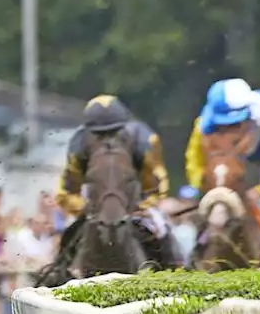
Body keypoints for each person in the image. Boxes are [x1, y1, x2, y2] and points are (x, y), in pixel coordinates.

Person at [185, 78, 260, 259]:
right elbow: (194, 163)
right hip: (224, 170)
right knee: (209, 203)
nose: (227, 130)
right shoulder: (203, 125)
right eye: (221, 126)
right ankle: (195, 255)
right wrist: (203, 185)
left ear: (248, 114)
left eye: (234, 124)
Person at [54, 95, 177, 267]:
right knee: (69, 236)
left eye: (113, 131)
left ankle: (177, 271)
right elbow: (66, 192)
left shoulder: (144, 141)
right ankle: (58, 274)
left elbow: (156, 185)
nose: (107, 139)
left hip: (136, 206)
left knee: (163, 230)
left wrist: (144, 205)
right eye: (100, 134)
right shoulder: (79, 146)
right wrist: (84, 207)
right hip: (94, 209)